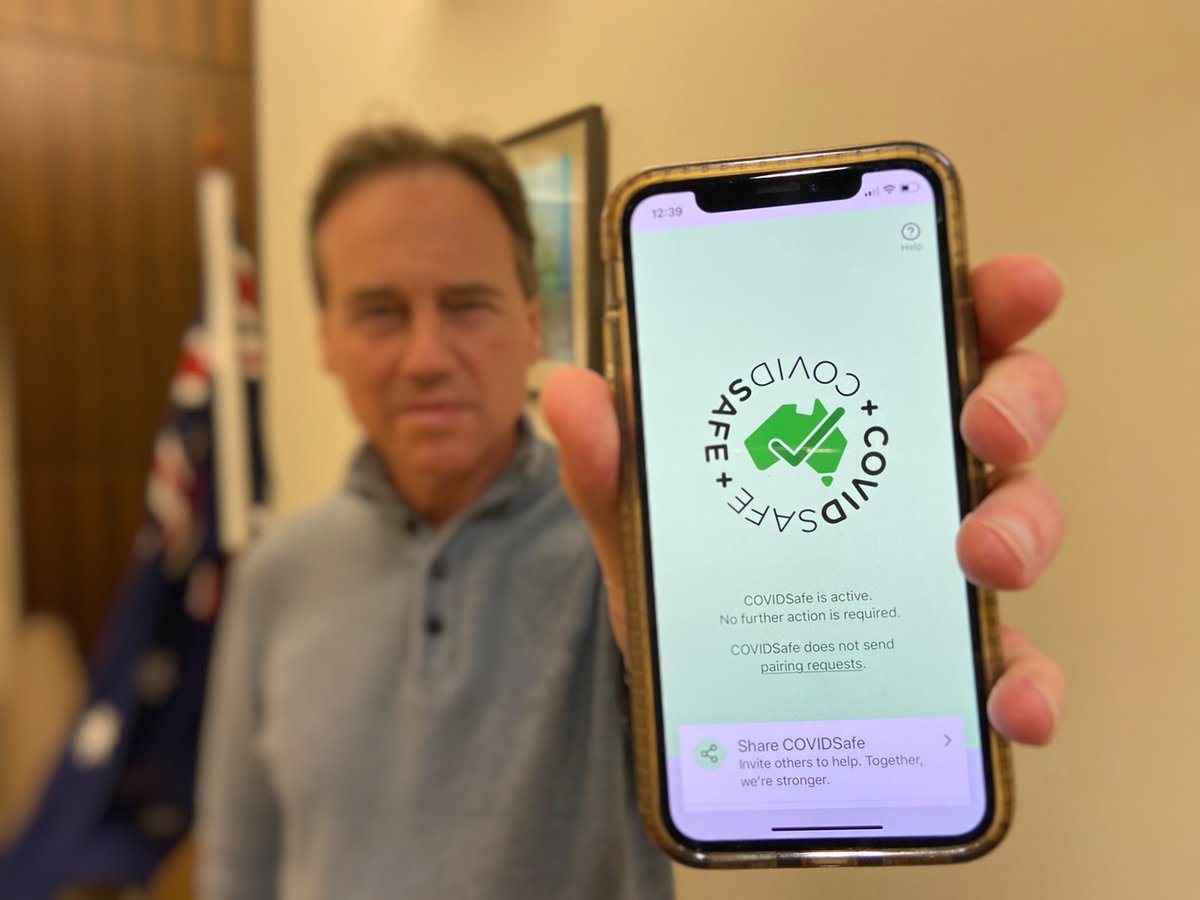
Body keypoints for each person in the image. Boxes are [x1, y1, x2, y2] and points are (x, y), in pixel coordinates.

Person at [196, 125, 1067, 899]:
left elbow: (765, 702)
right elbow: (239, 862)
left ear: (532, 327)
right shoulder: (278, 573)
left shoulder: (632, 546)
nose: (426, 356)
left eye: (466, 305)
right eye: (382, 312)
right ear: (325, 338)